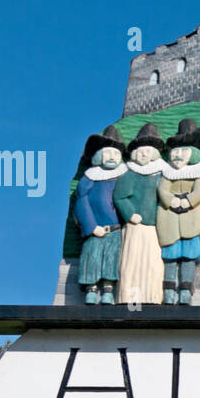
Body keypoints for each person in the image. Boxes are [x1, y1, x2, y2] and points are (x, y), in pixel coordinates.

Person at [156, 119, 200, 305]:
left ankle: (185, 288)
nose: (177, 155)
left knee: (189, 254)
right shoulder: (168, 172)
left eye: (183, 151)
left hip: (192, 217)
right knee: (170, 255)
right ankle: (168, 290)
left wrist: (189, 200)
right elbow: (162, 188)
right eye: (175, 150)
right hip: (170, 217)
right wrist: (171, 199)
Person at [113, 123, 167, 304]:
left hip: (154, 227)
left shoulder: (161, 174)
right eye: (141, 151)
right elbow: (120, 197)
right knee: (132, 263)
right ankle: (129, 298)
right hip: (135, 227)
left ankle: (152, 296)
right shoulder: (130, 174)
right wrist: (130, 214)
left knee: (153, 263)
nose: (144, 155)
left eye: (148, 151)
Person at [74, 125, 126, 304]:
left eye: (116, 154)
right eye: (108, 153)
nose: (112, 157)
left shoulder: (123, 176)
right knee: (92, 257)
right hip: (96, 229)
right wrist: (91, 226)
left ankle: (108, 290)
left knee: (112, 259)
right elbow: (82, 202)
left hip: (116, 229)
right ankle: (91, 288)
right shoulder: (90, 178)